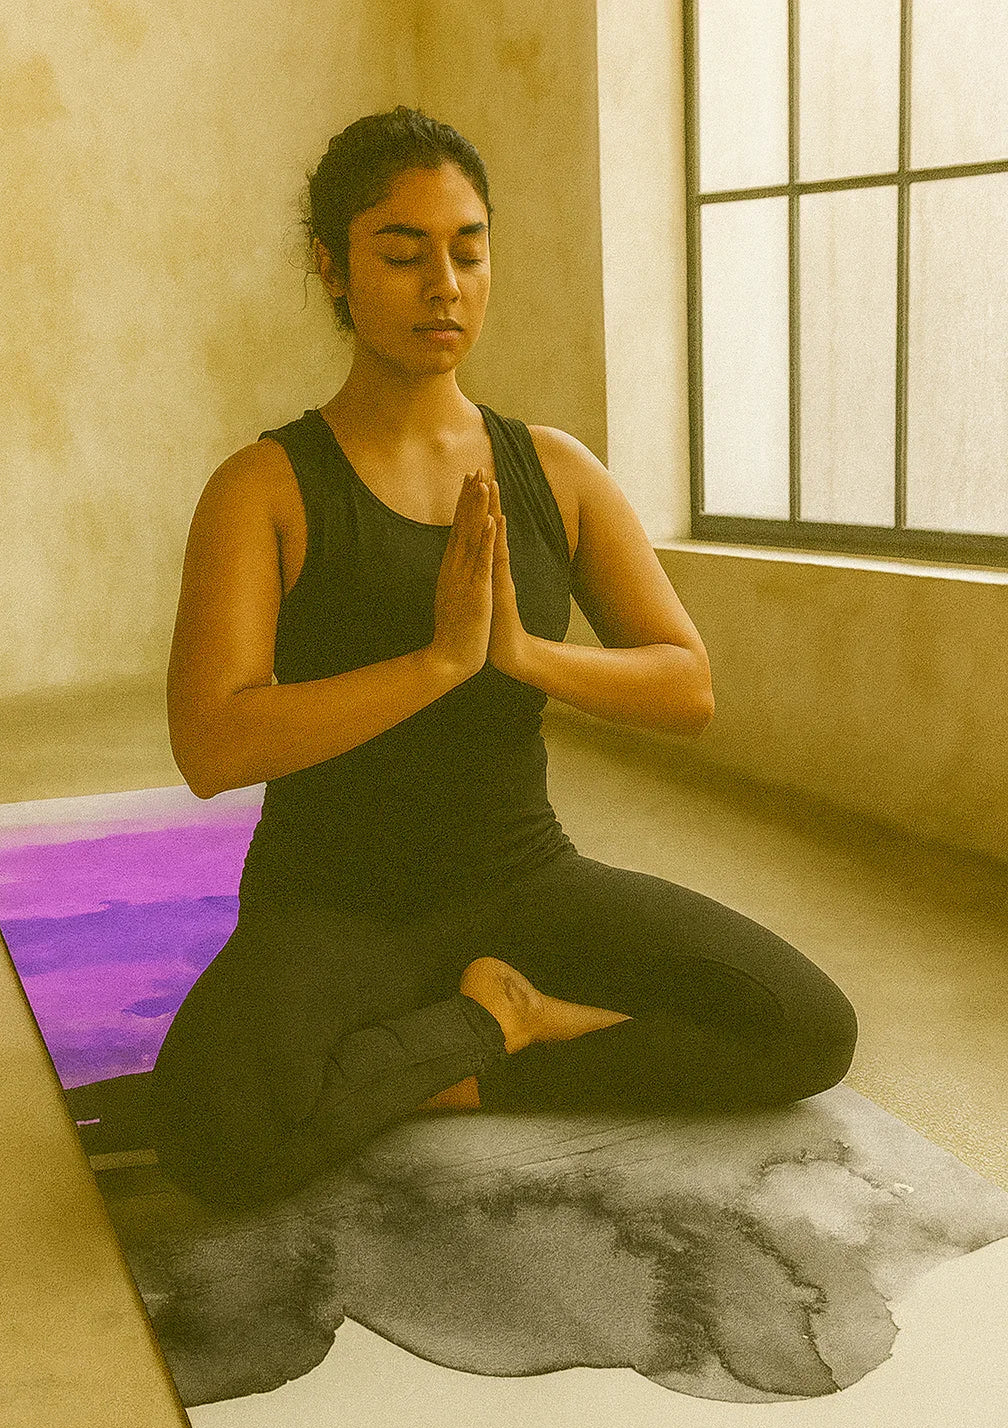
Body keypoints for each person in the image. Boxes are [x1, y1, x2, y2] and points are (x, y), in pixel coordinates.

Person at [148, 105, 857, 1211]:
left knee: (803, 1029)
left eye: (468, 250)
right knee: (204, 1128)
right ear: (332, 270)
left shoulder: (553, 469)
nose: (444, 283)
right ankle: (494, 1022)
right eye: (402, 251)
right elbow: (212, 741)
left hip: (523, 879)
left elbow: (686, 686)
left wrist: (520, 653)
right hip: (336, 902)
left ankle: (461, 1056)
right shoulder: (267, 487)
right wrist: (435, 663)